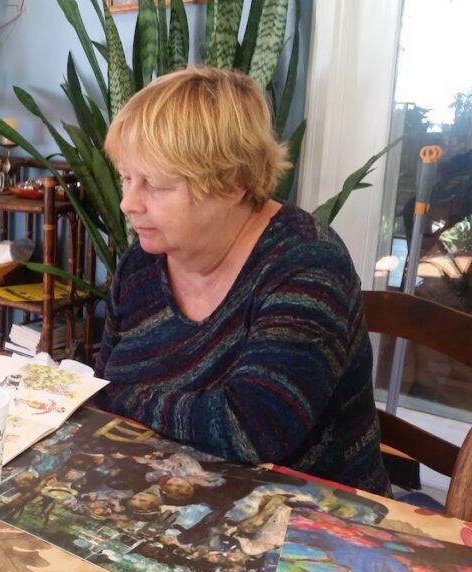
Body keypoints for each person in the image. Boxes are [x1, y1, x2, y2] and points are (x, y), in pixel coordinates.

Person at [93, 67, 390, 495]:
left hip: (313, 522)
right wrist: (107, 394)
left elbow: (257, 426)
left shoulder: (306, 263)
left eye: (154, 184)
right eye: (126, 177)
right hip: (175, 495)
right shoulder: (142, 263)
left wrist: (116, 395)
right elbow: (107, 385)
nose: (127, 203)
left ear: (233, 183)